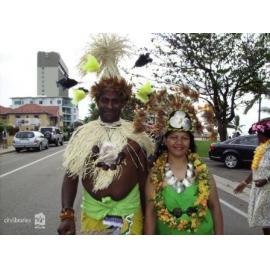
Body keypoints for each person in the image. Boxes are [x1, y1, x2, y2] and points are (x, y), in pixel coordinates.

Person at [57, 34, 154, 235]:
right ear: (97, 100)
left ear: (124, 102)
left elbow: (145, 181)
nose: (110, 105)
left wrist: (148, 222)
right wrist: (67, 214)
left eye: (115, 101)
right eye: (105, 100)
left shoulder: (137, 135)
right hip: (93, 216)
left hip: (130, 216)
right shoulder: (82, 135)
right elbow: (70, 177)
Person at [144, 110, 224, 235]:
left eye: (184, 138)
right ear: (165, 140)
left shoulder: (202, 171)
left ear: (190, 141)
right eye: (174, 137)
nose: (179, 142)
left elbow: (215, 207)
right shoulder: (155, 174)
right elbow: (151, 213)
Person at [234, 118, 270, 235]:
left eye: (259, 134)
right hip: (259, 191)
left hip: (268, 192)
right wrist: (244, 183)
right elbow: (255, 170)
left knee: (267, 223)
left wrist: (266, 180)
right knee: (264, 222)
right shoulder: (261, 149)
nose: (257, 136)